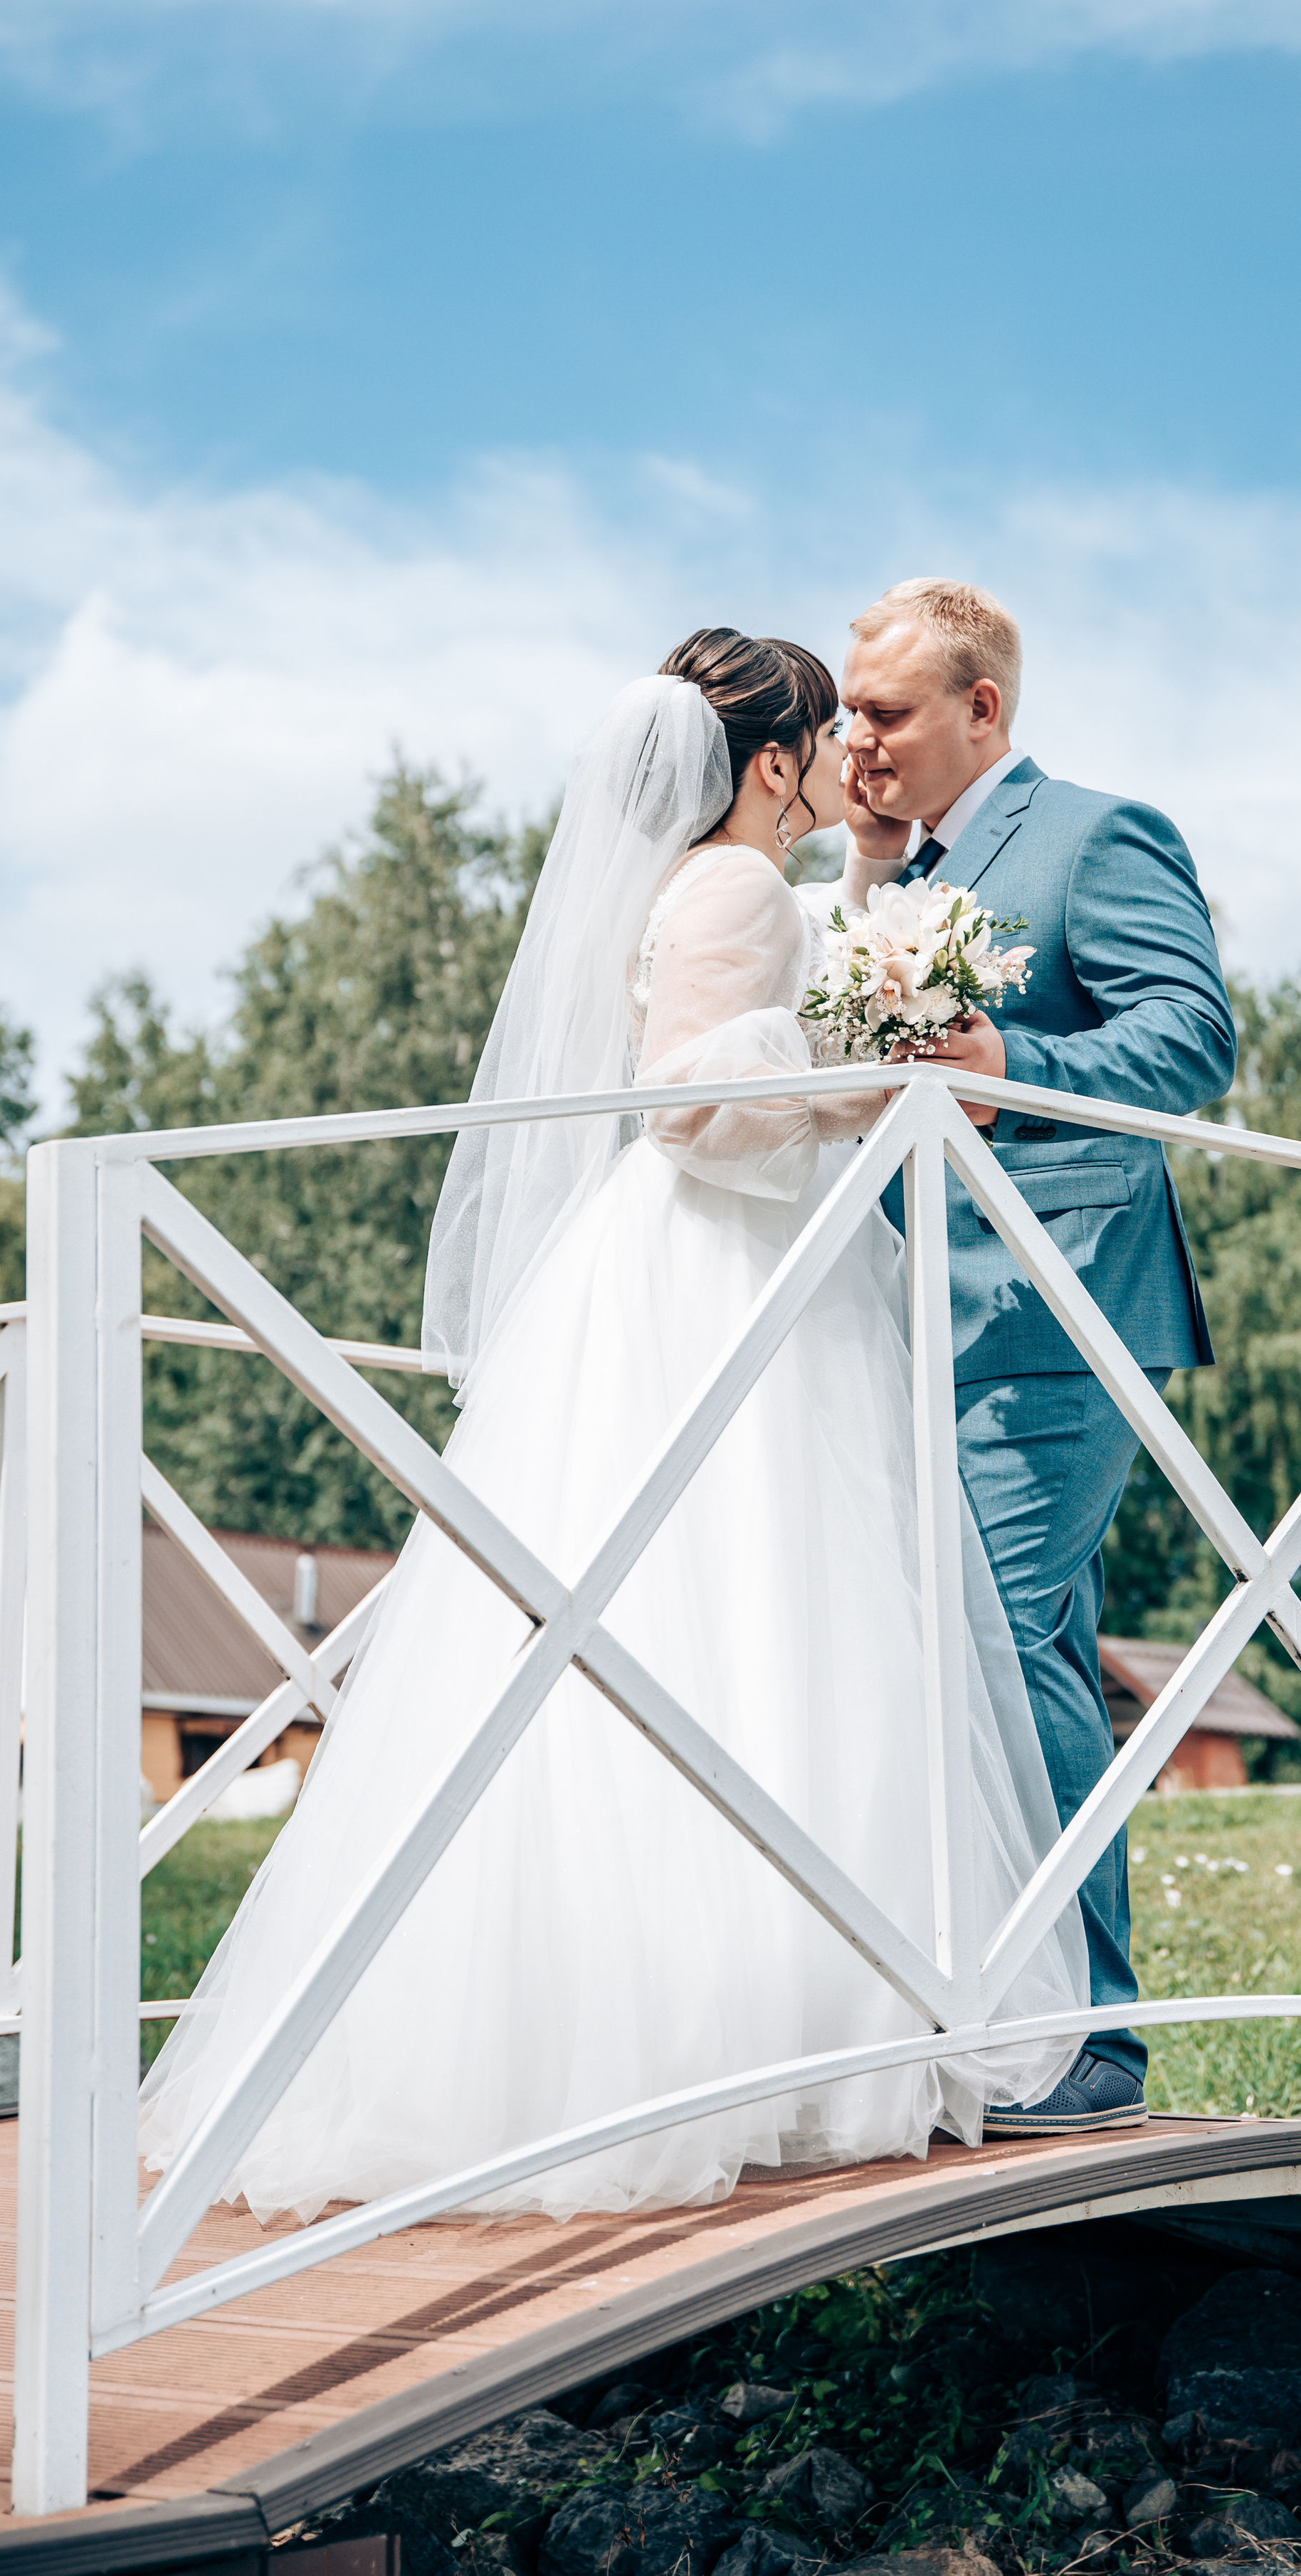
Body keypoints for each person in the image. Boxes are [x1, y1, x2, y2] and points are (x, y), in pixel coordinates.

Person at [138, 631, 1087, 2225]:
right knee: (751, 1613)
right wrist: (854, 1077)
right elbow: (694, 1108)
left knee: (693, 1622)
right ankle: (749, 2040)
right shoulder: (720, 889)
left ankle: (723, 2025)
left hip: (694, 1268)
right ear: (767, 759)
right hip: (712, 1275)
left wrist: (861, 924)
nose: (834, 764)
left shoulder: (715, 889)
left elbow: (771, 990)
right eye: (816, 742)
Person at [822, 579, 1236, 2135]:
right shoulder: (898, 868)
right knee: (956, 1664)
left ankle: (1093, 2039)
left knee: (1008, 1644)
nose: (852, 740)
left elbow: (1189, 1036)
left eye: (883, 713)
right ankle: (983, 2013)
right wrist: (868, 874)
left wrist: (1019, 1066)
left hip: (1053, 1310)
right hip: (896, 1320)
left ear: (978, 711)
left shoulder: (1093, 835)